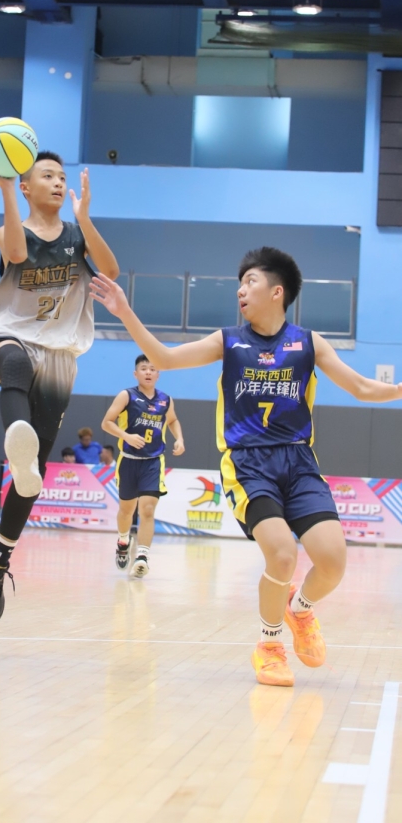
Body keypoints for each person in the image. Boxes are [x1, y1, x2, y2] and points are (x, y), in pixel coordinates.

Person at [91, 247, 402, 685]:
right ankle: (269, 646)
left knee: (333, 561)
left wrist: (399, 389)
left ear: (277, 291)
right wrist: (124, 312)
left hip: (299, 461)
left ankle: (300, 610)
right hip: (248, 464)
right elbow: (166, 358)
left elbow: (363, 388)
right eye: (239, 283)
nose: (240, 290)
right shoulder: (228, 341)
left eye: (250, 281)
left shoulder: (308, 343)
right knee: (282, 553)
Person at [0, 151, 119, 621]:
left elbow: (111, 271)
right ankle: (18, 442)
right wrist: (2, 188)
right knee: (13, 363)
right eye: (47, 176)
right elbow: (17, 254)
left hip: (59, 353)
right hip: (10, 336)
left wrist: (86, 217)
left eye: (61, 176)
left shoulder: (77, 237)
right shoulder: (10, 231)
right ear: (26, 187)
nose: (57, 182)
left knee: (30, 477)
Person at [102, 354, 185, 578]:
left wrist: (179, 438)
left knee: (147, 509)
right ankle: (123, 541)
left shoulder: (165, 400)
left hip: (153, 461)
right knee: (126, 510)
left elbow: (173, 420)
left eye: (152, 369)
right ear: (135, 373)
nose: (148, 372)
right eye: (144, 368)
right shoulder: (126, 396)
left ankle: (142, 557)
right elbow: (106, 422)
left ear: (158, 374)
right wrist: (126, 436)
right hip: (129, 460)